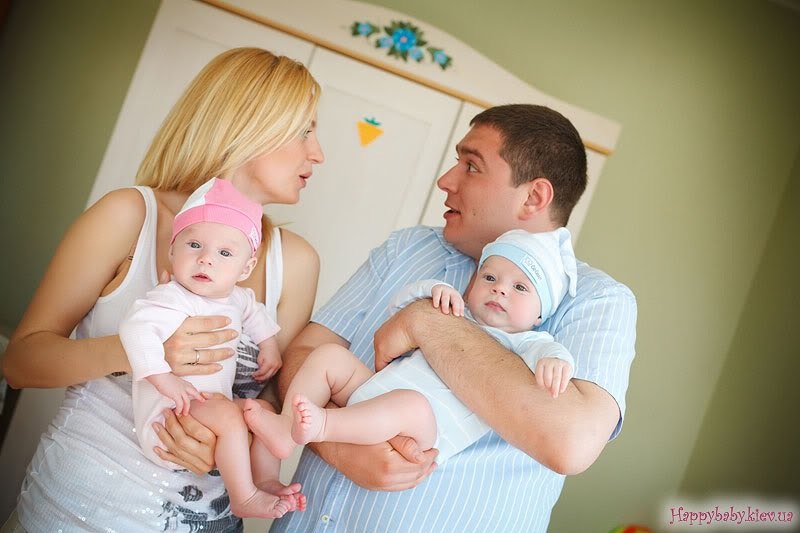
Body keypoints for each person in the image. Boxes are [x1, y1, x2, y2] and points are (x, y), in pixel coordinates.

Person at [270, 104, 637, 533]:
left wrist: (428, 321)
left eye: (471, 166)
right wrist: (337, 445)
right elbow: (307, 351)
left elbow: (570, 442)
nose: (446, 180)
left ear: (534, 197)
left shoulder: (596, 300)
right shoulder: (407, 249)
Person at [2, 47, 324, 532]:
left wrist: (222, 439)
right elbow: (20, 362)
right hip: (66, 514)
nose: (318, 153)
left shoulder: (295, 262)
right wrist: (145, 353)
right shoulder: (128, 215)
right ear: (250, 123)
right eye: (305, 130)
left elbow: (269, 405)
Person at [243, 227, 577, 465]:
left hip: (425, 430)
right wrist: (433, 290)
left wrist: (555, 361)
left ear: (539, 315)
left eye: (520, 287)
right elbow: (399, 311)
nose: (500, 290)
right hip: (374, 393)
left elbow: (550, 354)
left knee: (411, 404)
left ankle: (324, 425)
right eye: (490, 278)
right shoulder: (456, 309)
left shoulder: (529, 342)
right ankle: (285, 433)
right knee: (329, 356)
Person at [120, 177, 302, 519]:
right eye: (193, 246)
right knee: (233, 417)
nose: (206, 260)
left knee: (261, 417)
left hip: (204, 410)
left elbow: (254, 313)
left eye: (224, 253)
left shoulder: (238, 297)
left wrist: (269, 347)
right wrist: (164, 379)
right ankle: (243, 497)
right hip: (168, 414)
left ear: (245, 268)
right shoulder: (170, 298)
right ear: (172, 250)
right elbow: (135, 329)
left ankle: (265, 480)